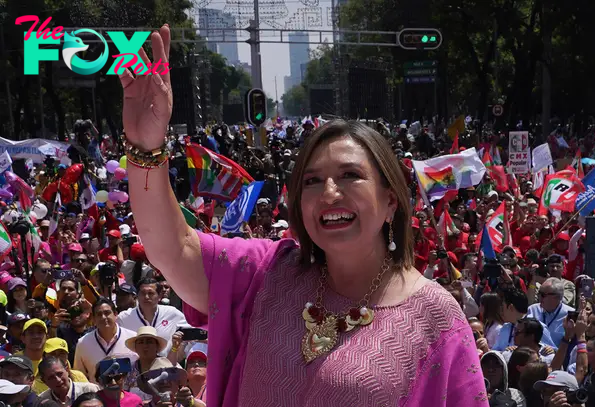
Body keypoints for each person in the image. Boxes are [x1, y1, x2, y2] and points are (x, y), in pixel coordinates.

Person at [120, 25, 486, 406]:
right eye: (311, 181)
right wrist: (146, 148)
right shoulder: (265, 275)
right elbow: (173, 248)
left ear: (391, 199)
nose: (328, 193)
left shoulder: (437, 318)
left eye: (350, 176)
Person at [117, 278, 186, 356]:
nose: (146, 297)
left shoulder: (172, 313)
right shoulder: (124, 317)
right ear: (137, 296)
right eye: (143, 293)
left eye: (151, 293)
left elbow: (191, 334)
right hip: (135, 366)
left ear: (159, 296)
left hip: (166, 365)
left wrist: (178, 356)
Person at [73, 299, 137, 382]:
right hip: (97, 393)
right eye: (99, 314)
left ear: (115, 314)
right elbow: (79, 377)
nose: (103, 317)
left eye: (107, 313)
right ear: (94, 319)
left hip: (128, 393)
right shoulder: (83, 343)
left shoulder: (133, 338)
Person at [135, 358, 204, 407]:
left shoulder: (190, 403)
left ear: (178, 382)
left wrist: (190, 403)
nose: (165, 381)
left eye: (170, 375)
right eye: (157, 376)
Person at [123, 326, 167, 402]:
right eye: (141, 342)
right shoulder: (128, 370)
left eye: (149, 342)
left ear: (157, 346)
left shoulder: (167, 366)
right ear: (136, 348)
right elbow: (123, 396)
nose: (145, 346)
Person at [527, 278, 575, 348]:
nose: (539, 297)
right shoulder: (532, 309)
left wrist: (554, 351)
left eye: (543, 295)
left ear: (557, 297)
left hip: (558, 357)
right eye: (539, 293)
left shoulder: (570, 315)